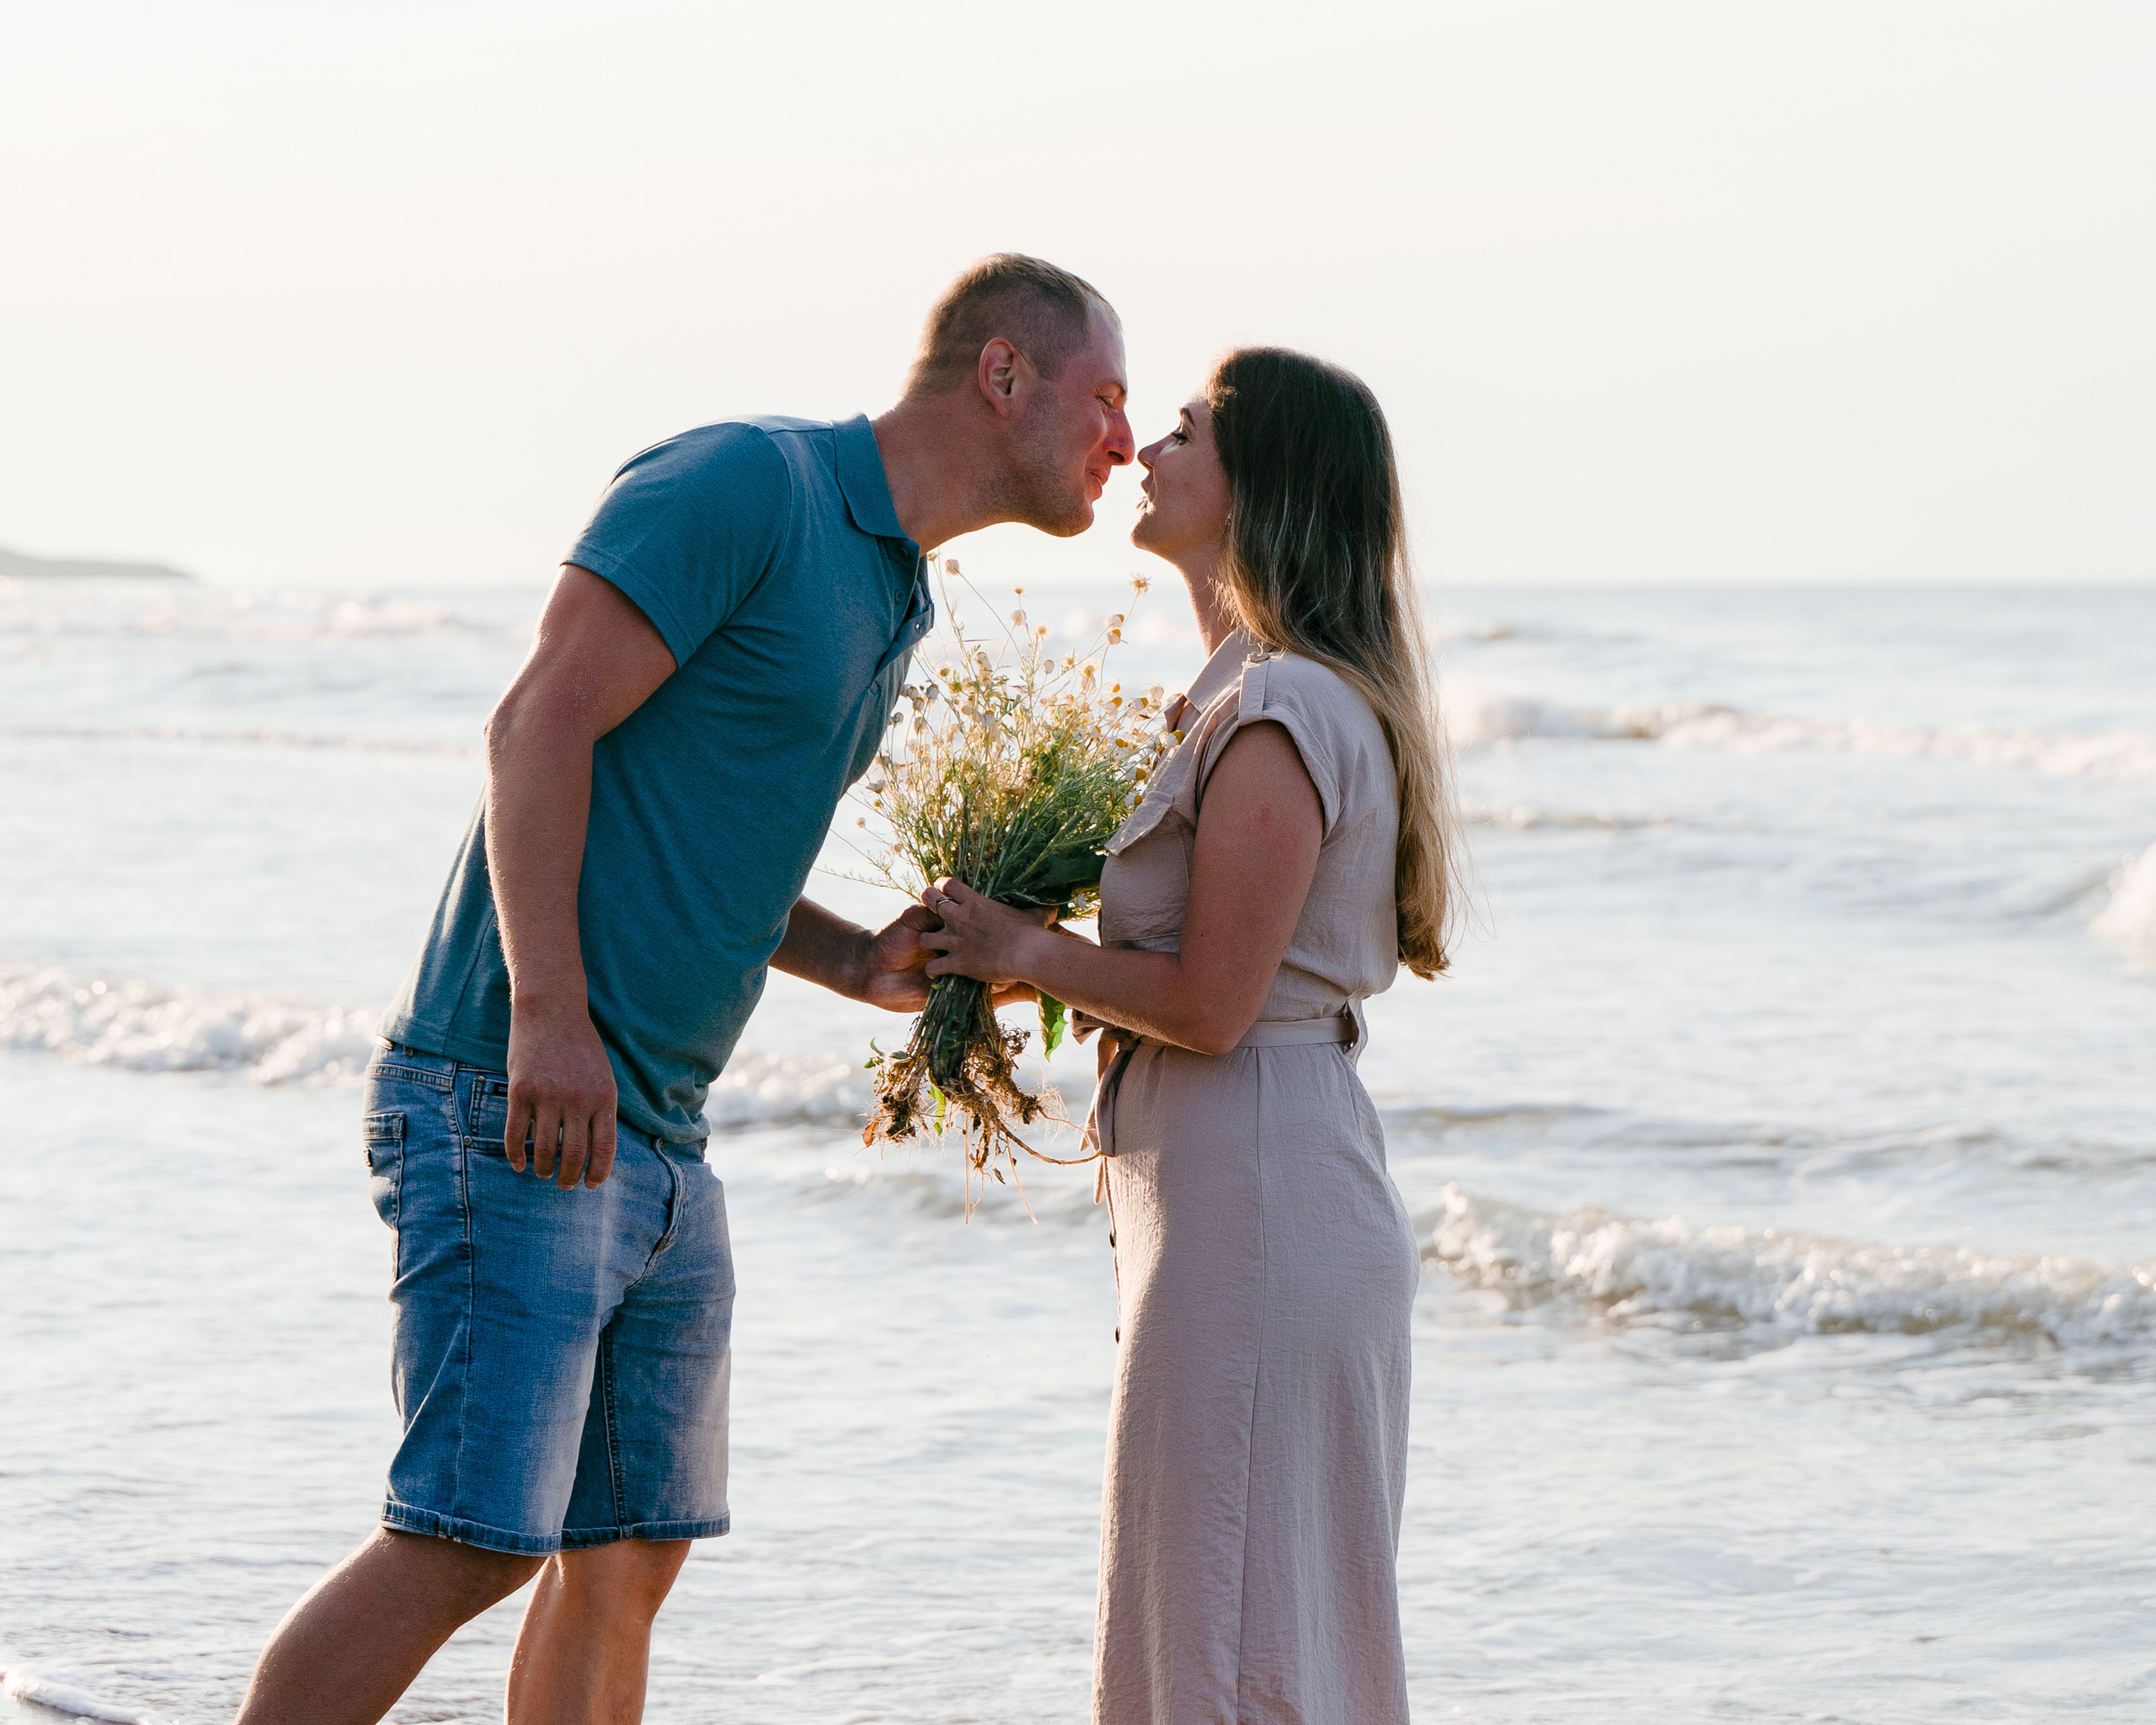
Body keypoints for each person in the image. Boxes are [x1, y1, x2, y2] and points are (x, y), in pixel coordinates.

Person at [233, 254, 1134, 1725]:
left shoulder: (894, 593)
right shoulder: (747, 487)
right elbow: (539, 725)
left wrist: (853, 960)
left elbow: (695, 826)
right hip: (514, 1087)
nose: (1121, 437)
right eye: (1105, 396)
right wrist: (549, 1017)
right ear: (1002, 374)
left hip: (656, 1129)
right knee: (466, 1541)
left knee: (631, 1551)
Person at [918, 347, 1462, 1724]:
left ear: (1260, 487)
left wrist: (1011, 948)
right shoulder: (1253, 698)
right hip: (1243, 1183)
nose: (1145, 452)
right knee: (1234, 1607)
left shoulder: (1280, 713)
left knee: (1234, 1625)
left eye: (1185, 431)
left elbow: (1215, 1007)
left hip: (1259, 1190)